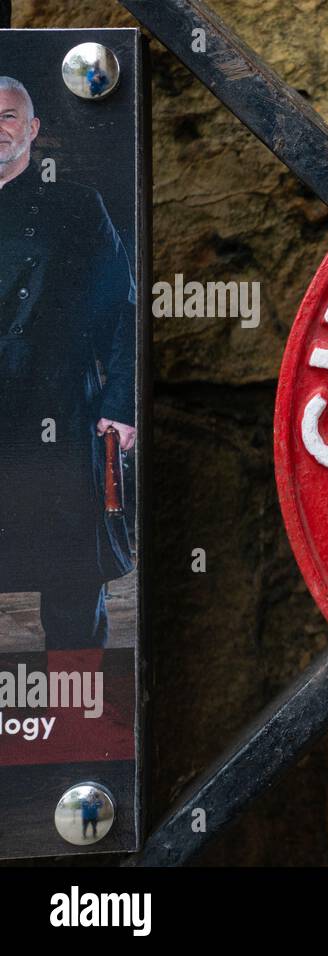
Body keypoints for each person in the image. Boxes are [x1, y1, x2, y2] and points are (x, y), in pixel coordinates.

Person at [0, 76, 136, 649]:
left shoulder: (76, 205)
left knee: (74, 581)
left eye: (7, 116)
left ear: (32, 130)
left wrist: (121, 405)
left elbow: (120, 306)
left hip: (55, 410)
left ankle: (78, 720)